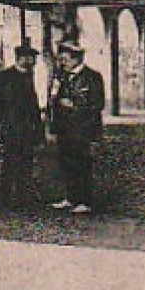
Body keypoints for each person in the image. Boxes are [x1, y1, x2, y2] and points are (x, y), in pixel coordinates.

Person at [48, 39, 106, 215]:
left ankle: (84, 200)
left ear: (76, 59)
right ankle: (70, 197)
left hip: (83, 129)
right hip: (64, 128)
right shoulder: (61, 77)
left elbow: (98, 104)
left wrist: (74, 105)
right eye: (61, 60)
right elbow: (53, 102)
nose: (62, 63)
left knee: (82, 163)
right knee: (66, 162)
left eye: (65, 60)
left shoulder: (93, 77)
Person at [0, 41, 45, 208]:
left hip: (26, 127)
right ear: (21, 58)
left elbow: (33, 104)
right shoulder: (3, 76)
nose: (33, 62)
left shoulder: (28, 76)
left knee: (26, 161)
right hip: (11, 126)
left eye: (34, 59)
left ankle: (23, 195)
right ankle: (6, 196)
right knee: (10, 161)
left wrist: (38, 127)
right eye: (30, 58)